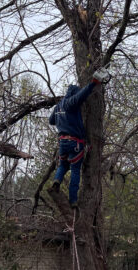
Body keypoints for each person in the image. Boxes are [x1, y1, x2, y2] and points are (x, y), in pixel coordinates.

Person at [49, 74, 104, 208]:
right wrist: (93, 83)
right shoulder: (70, 103)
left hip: (62, 142)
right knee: (75, 170)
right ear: (73, 93)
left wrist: (62, 121)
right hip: (75, 143)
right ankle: (73, 200)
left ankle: (57, 180)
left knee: (62, 165)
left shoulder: (58, 107)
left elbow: (51, 121)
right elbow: (81, 96)